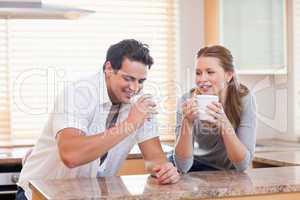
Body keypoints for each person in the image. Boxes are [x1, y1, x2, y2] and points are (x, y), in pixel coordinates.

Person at [16, 39, 180, 200]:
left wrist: (165, 170)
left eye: (141, 81)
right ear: (109, 69)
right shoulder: (78, 94)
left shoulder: (139, 105)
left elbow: (154, 159)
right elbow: (71, 155)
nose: (135, 88)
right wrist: (130, 124)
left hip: (86, 195)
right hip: (39, 194)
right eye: (128, 78)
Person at [173, 45, 256, 173]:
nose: (202, 79)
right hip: (194, 167)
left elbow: (242, 165)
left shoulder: (244, 99)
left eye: (210, 72)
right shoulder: (186, 101)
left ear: (228, 75)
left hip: (226, 172)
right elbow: (182, 167)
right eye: (198, 73)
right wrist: (187, 123)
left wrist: (224, 125)